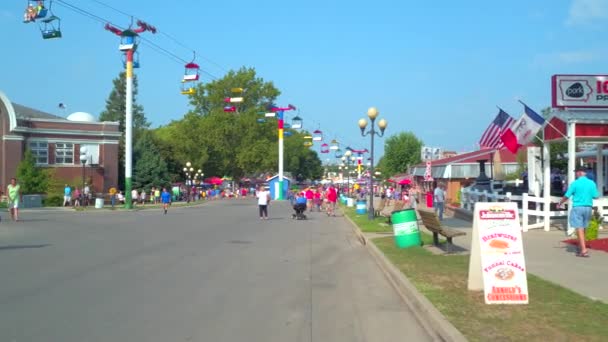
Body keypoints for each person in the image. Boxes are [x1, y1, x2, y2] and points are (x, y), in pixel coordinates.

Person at [559, 167, 599, 258]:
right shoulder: (592, 183)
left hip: (578, 207)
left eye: (576, 172)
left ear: (580, 173)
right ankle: (582, 247)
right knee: (583, 228)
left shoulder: (575, 183)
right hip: (588, 207)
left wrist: (560, 202)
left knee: (579, 228)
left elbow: (567, 195)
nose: (576, 174)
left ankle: (584, 250)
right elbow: (596, 196)